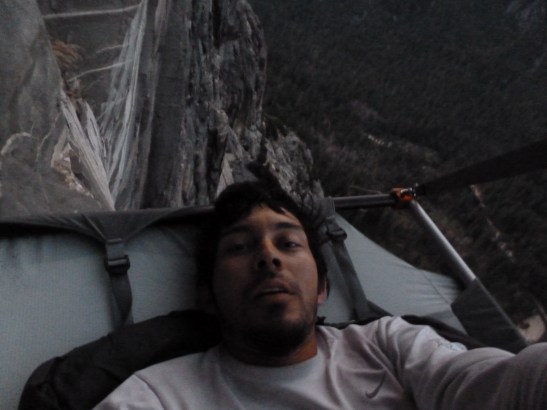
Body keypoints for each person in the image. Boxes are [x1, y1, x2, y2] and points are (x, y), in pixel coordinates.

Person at [94, 181, 547, 409]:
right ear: (207, 296)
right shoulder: (158, 396)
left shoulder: (389, 346)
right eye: (240, 247)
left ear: (323, 288)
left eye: (289, 243)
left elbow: (498, 385)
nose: (268, 257)